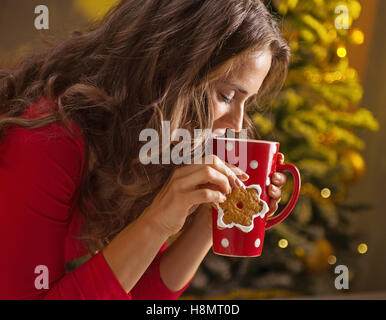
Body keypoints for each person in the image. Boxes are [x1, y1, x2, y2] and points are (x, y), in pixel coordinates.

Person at [0, 0, 290, 299]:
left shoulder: (151, 144)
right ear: (170, 71)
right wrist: (157, 220)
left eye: (247, 103)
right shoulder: (47, 137)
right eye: (227, 96)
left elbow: (134, 293)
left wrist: (213, 216)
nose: (237, 124)